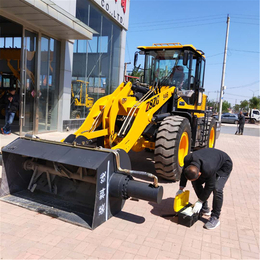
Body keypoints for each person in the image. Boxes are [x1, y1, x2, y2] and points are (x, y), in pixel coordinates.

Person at [176, 148, 233, 230]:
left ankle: (215, 217)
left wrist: (200, 201)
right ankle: (205, 208)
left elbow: (209, 186)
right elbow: (184, 174)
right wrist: (181, 188)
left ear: (199, 173)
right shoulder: (188, 159)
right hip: (210, 159)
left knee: (217, 188)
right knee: (195, 182)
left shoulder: (209, 168)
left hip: (224, 165)